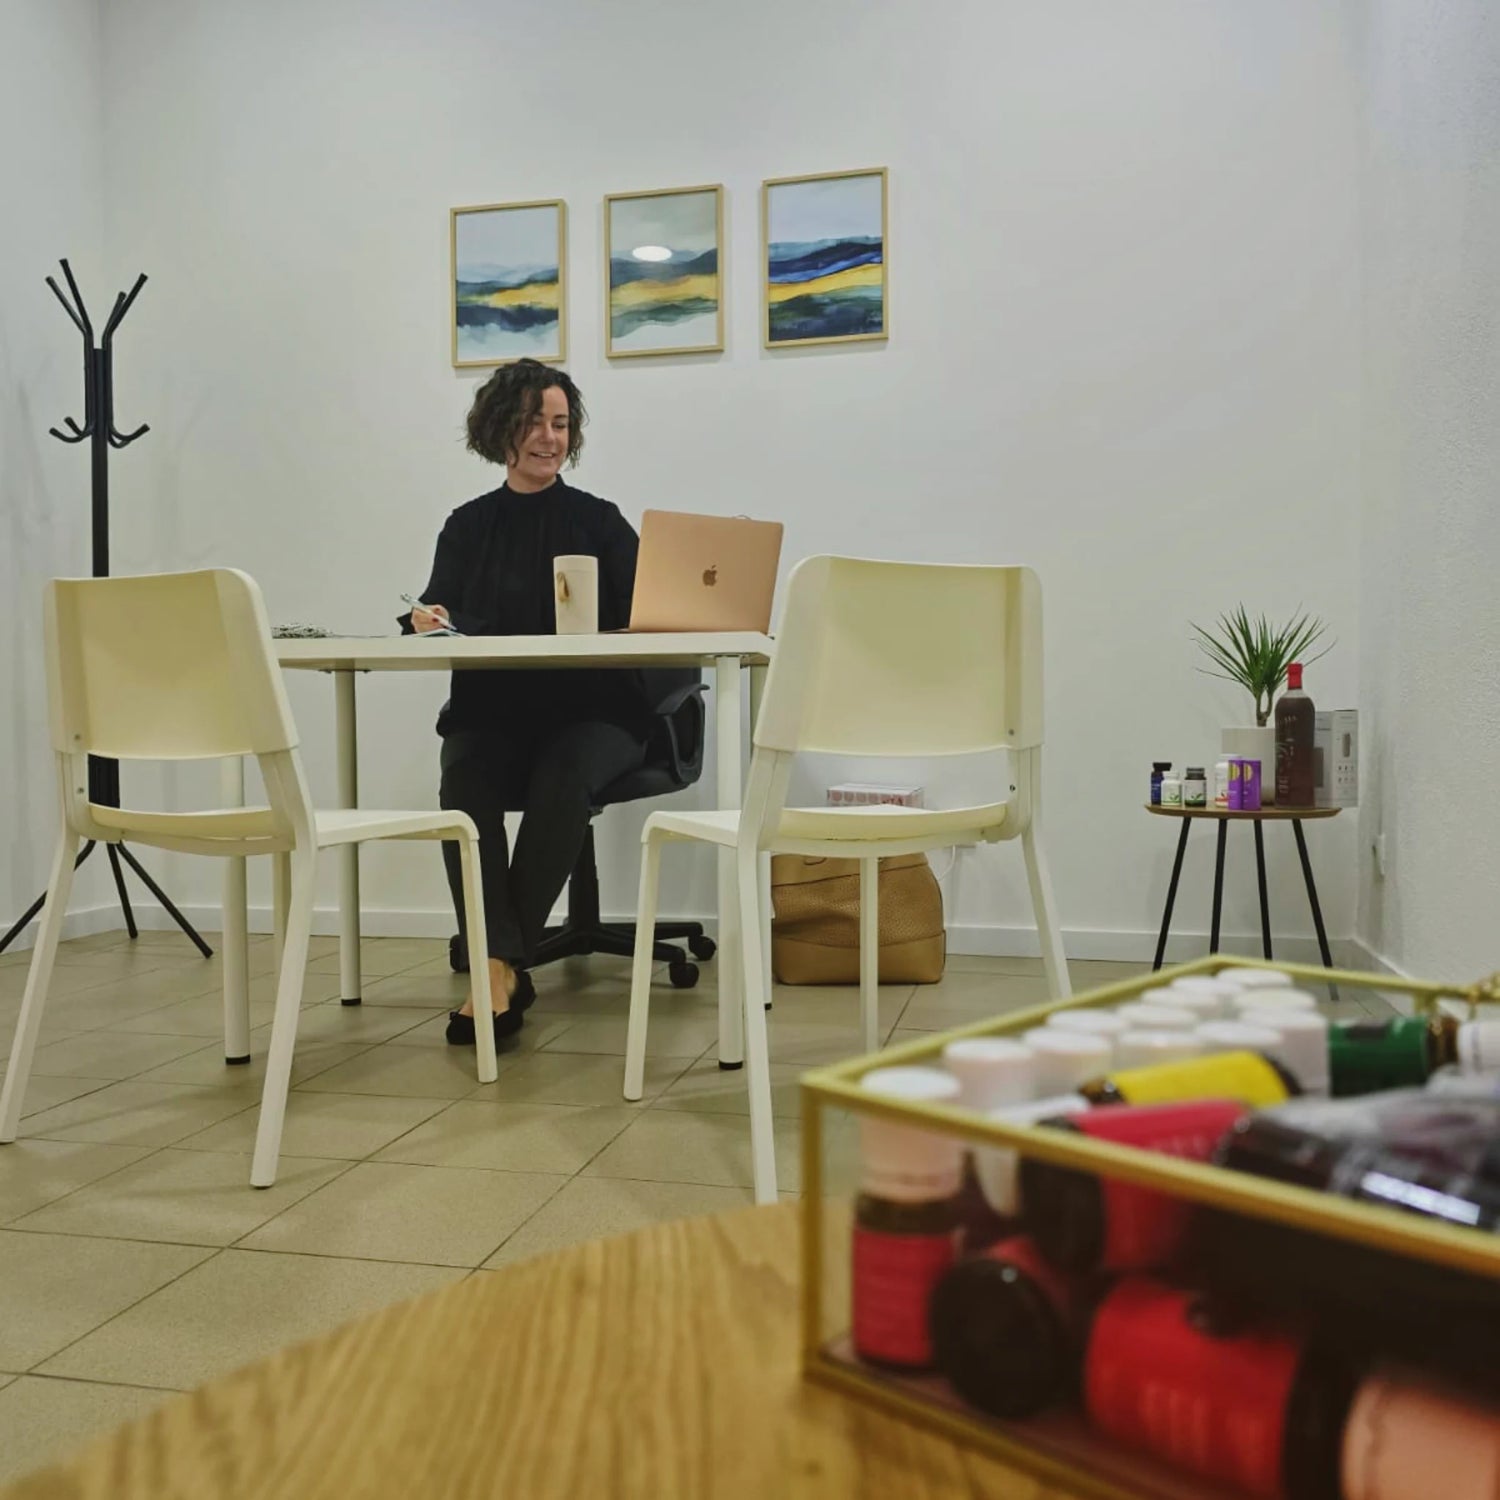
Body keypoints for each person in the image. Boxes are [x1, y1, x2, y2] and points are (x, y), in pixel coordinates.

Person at [403, 359, 652, 1050]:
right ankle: (499, 961)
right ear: (500, 430)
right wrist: (429, 618)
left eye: (560, 423)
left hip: (594, 712)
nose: (549, 437)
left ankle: (496, 964)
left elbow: (652, 614)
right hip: (494, 710)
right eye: (533, 422)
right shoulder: (468, 525)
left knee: (563, 775)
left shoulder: (599, 521)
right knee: (464, 784)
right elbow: (436, 604)